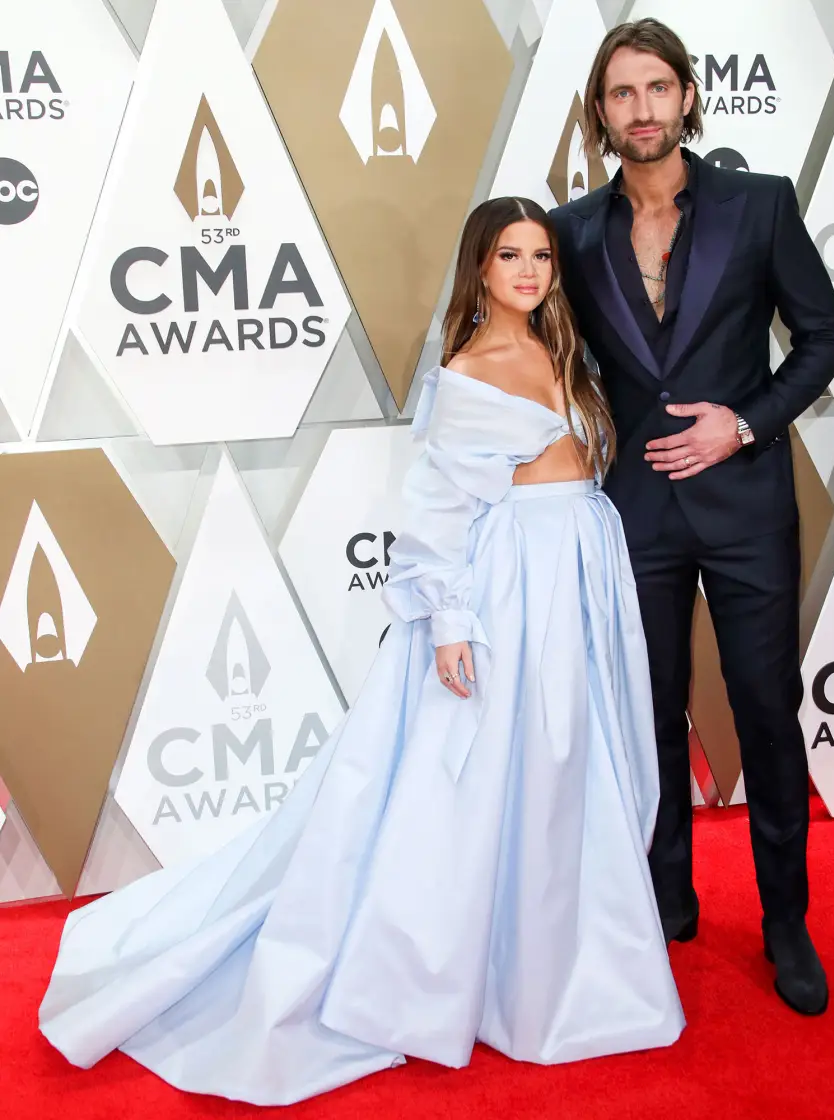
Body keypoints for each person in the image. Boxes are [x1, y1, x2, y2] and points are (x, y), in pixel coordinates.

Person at [38, 196, 685, 1106]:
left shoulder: (561, 349)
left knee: (564, 767)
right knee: (498, 774)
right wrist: (451, 624)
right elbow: (437, 514)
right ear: (481, 270)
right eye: (510, 257)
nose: (531, 272)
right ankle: (467, 970)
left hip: (577, 572)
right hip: (515, 592)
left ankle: (551, 954)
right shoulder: (473, 370)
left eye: (541, 255)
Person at [548, 18, 834, 1017]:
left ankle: (785, 921)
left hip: (748, 506)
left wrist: (745, 422)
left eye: (656, 89)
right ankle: (668, 895)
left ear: (687, 97)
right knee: (651, 712)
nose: (641, 109)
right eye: (621, 93)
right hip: (636, 512)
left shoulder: (759, 205)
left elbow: (821, 338)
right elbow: (546, 357)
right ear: (602, 112)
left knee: (767, 712)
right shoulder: (573, 232)